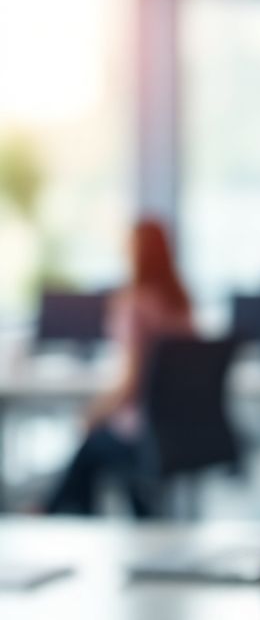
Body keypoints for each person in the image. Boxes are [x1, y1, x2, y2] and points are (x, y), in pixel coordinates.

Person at [46, 218, 196, 517]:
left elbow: (130, 385)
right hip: (183, 429)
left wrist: (92, 414)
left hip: (146, 434)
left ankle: (58, 516)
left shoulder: (133, 305)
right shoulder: (182, 304)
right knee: (99, 444)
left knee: (91, 442)